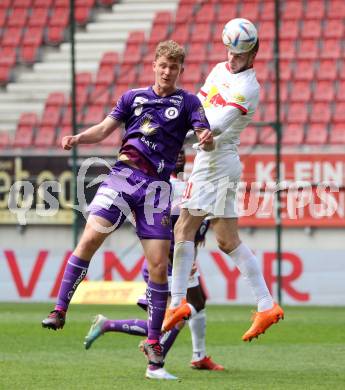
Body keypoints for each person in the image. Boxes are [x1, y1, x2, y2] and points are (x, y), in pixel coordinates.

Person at [41, 40, 213, 380]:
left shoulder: (190, 101)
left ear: (181, 70)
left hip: (157, 189)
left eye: (174, 67)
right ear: (154, 65)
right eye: (163, 65)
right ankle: (59, 309)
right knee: (90, 237)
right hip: (122, 177)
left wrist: (206, 137)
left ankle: (153, 348)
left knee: (159, 267)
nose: (167, 72)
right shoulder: (132, 97)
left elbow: (203, 130)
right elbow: (105, 129)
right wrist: (78, 138)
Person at [162, 19, 284, 341]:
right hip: (215, 160)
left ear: (253, 54)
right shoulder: (218, 70)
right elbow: (198, 108)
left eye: (240, 55)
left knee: (183, 228)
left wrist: (183, 135)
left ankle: (176, 303)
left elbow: (217, 124)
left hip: (216, 161)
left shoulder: (249, 87)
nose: (232, 59)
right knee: (227, 240)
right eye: (230, 52)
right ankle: (266, 305)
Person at [83, 150, 224, 375]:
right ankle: (147, 354)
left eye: (182, 152)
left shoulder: (195, 189)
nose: (179, 156)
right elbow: (161, 230)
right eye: (174, 152)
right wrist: (179, 261)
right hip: (166, 263)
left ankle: (198, 356)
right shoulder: (164, 187)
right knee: (177, 316)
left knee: (197, 302)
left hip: (180, 262)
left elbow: (192, 231)